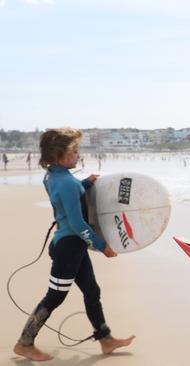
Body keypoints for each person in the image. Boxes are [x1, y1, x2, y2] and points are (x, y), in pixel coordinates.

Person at [13, 128, 135, 362]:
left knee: (91, 290)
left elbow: (67, 194)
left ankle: (105, 339)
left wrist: (86, 184)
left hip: (72, 246)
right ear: (60, 155)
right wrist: (102, 246)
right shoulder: (66, 183)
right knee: (55, 296)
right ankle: (25, 343)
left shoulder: (53, 176)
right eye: (74, 151)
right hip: (69, 247)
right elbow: (78, 223)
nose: (79, 154)